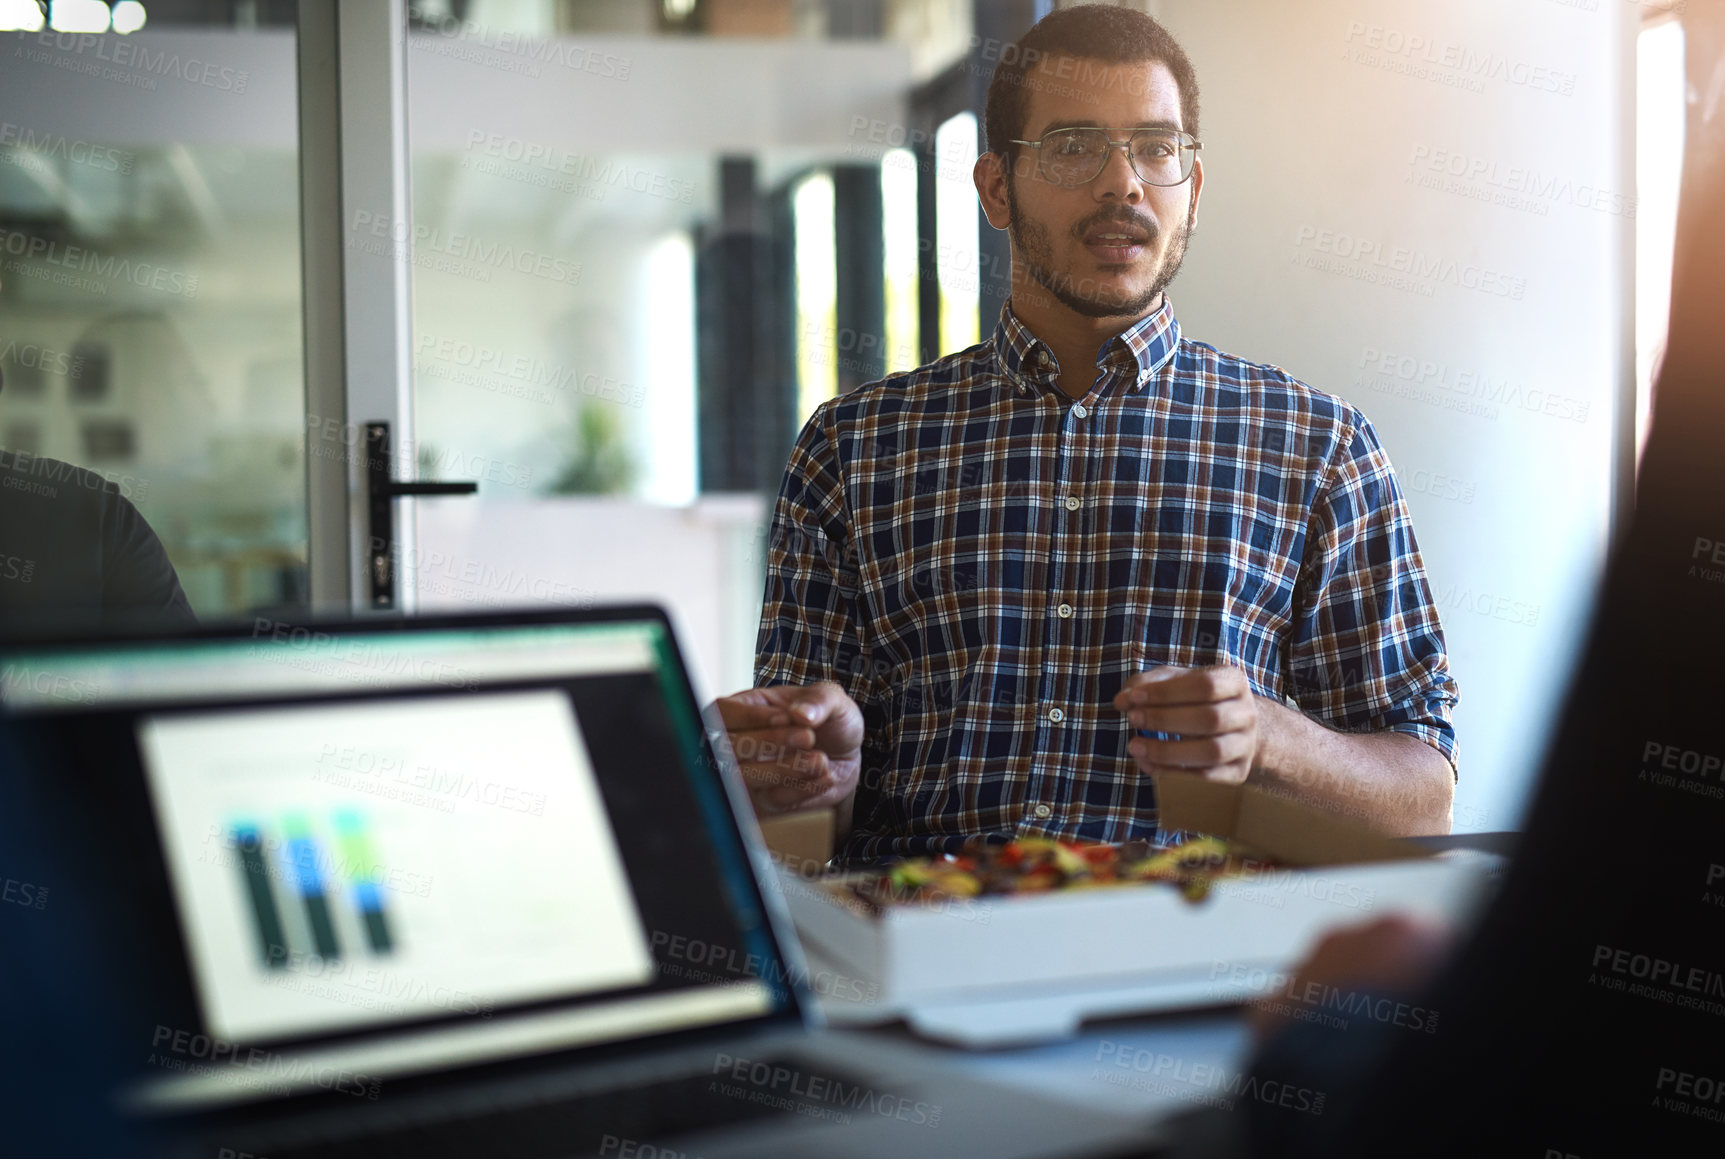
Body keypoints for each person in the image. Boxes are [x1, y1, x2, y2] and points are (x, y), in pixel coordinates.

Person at [717, 5, 1457, 866]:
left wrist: (1267, 741)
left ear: (1193, 185)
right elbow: (787, 834)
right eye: (1073, 145)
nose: (1123, 183)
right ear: (995, 187)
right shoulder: (853, 447)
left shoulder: (1317, 446)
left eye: (1156, 147)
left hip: (1189, 962)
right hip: (921, 953)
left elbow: (1421, 808)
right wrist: (814, 777)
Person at [0, 273, 196, 636]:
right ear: (146, 393)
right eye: (188, 381)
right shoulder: (97, 518)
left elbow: (181, 676)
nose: (207, 402)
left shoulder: (99, 521)